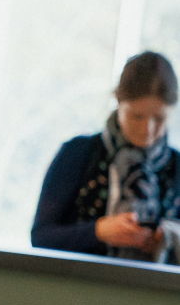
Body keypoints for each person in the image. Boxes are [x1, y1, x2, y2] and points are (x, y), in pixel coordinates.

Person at [32, 51, 180, 264]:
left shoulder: (177, 168)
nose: (147, 129)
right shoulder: (77, 153)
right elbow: (40, 237)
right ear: (118, 101)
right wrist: (98, 232)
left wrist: (167, 241)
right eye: (136, 116)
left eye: (159, 118)